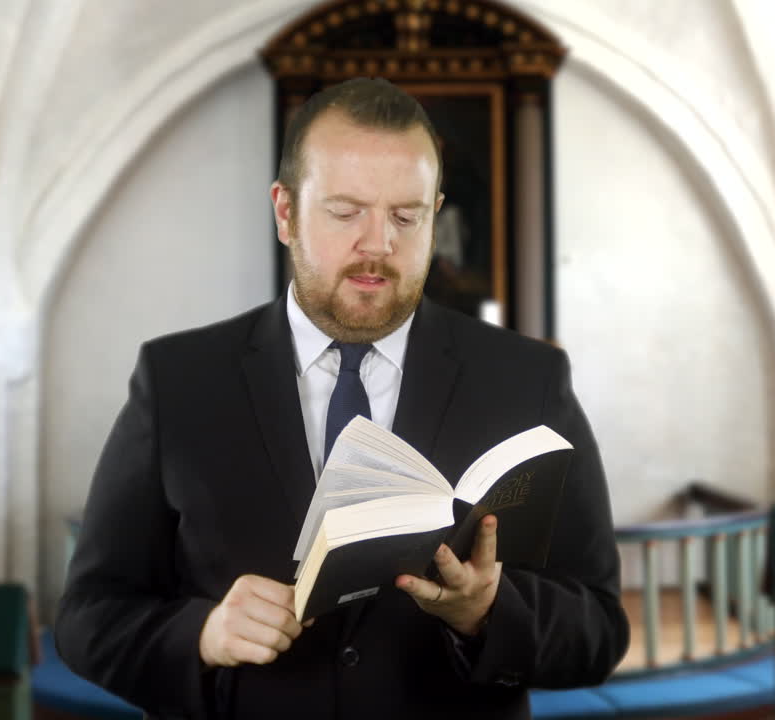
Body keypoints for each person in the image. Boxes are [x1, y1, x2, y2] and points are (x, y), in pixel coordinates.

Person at [55, 78, 628, 720]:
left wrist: (488, 614)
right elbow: (87, 618)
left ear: (435, 215)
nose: (379, 243)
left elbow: (600, 629)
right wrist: (204, 635)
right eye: (346, 211)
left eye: (406, 217)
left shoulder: (529, 379)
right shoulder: (176, 379)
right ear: (285, 212)